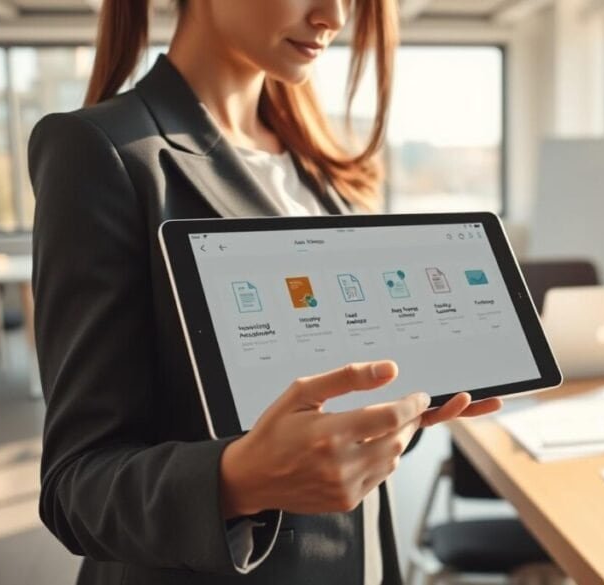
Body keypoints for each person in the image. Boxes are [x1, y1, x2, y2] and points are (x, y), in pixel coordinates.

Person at [28, 1, 501, 583]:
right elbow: (76, 487)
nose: (333, 16)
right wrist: (237, 479)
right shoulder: (103, 151)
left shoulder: (324, 170)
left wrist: (391, 417)